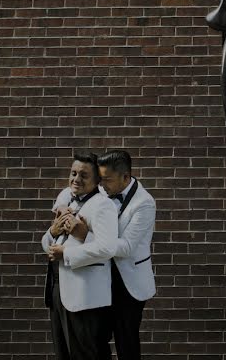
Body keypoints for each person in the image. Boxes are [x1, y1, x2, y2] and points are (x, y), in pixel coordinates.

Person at [68, 149, 156, 360]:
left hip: (128, 284)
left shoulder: (144, 203)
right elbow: (70, 194)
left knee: (127, 343)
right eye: (100, 179)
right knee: (97, 338)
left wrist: (87, 236)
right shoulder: (101, 191)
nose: (101, 185)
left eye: (106, 180)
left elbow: (126, 247)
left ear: (125, 177)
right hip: (101, 278)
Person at [41, 151, 118, 360]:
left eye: (83, 175)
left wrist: (67, 252)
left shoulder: (103, 205)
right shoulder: (68, 199)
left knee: (87, 354)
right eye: (73, 173)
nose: (76, 179)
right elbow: (47, 244)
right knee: (63, 354)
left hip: (84, 296)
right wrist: (52, 233)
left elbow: (107, 248)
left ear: (97, 180)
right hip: (58, 289)